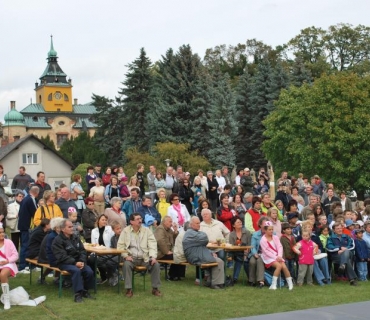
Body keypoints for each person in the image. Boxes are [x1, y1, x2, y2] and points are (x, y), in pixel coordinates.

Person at [117, 213, 162, 298]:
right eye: (137, 219)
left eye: (140, 218)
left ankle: (155, 289)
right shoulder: (125, 231)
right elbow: (120, 246)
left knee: (156, 264)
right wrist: (126, 256)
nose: (140, 220)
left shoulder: (147, 230)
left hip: (144, 258)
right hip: (131, 258)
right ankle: (129, 289)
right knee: (126, 265)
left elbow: (152, 244)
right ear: (131, 222)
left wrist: (153, 257)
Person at [52, 219, 95, 302]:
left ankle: (84, 290)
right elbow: (62, 256)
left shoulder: (75, 237)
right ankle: (78, 295)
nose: (72, 228)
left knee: (89, 271)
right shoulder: (57, 240)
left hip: (78, 261)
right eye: (69, 227)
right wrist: (75, 263)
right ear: (63, 229)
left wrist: (82, 261)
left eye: (72, 226)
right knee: (76, 271)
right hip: (64, 263)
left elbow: (83, 250)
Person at [183, 216, 225, 289]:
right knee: (219, 261)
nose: (199, 225)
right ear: (191, 224)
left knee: (217, 260)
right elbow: (205, 239)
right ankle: (216, 283)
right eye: (197, 223)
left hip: (199, 255)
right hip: (195, 257)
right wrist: (204, 235)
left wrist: (211, 253)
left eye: (199, 223)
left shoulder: (195, 232)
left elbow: (202, 246)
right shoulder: (190, 233)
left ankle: (210, 281)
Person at [259, 221, 294, 290]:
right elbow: (266, 252)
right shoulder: (263, 240)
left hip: (277, 256)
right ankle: (273, 284)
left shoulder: (275, 237)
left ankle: (290, 284)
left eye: (272, 229)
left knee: (284, 266)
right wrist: (276, 257)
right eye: (269, 229)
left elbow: (279, 247)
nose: (271, 231)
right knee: (279, 266)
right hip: (268, 258)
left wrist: (279, 256)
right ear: (265, 230)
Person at [155, 216, 186, 281]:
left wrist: (175, 231)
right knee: (177, 256)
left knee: (181, 255)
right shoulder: (160, 229)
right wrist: (166, 251)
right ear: (164, 222)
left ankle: (178, 275)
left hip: (168, 252)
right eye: (170, 221)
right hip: (160, 253)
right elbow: (160, 241)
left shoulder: (169, 229)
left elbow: (174, 238)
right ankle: (172, 275)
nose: (171, 223)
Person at [90, 214, 117, 286]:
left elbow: (113, 241)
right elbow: (93, 244)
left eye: (105, 220)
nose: (104, 221)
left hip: (108, 251)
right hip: (98, 251)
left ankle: (111, 274)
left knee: (104, 260)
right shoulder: (94, 231)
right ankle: (97, 278)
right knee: (91, 259)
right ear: (98, 221)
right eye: (102, 220)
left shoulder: (110, 229)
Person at [17, 186, 39, 273]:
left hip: (24, 226)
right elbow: (35, 213)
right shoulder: (30, 200)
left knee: (28, 245)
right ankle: (22, 266)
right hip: (27, 226)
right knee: (25, 245)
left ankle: (29, 265)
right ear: (36, 193)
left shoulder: (25, 199)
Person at [0, 222, 19, 310]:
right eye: (0, 232)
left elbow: (16, 255)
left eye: (3, 232)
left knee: (3, 274)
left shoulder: (9, 242)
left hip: (8, 264)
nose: (2, 234)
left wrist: (7, 261)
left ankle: (7, 300)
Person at [229, 216, 251, 283]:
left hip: (247, 252)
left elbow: (249, 245)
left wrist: (245, 254)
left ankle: (235, 278)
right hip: (236, 253)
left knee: (241, 260)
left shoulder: (247, 232)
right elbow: (231, 247)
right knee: (241, 259)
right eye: (238, 222)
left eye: (240, 222)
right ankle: (250, 279)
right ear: (233, 225)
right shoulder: (232, 234)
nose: (240, 223)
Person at [248, 216, 269, 288]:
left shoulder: (272, 233)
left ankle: (261, 281)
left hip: (266, 254)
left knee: (260, 260)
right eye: (264, 224)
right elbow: (252, 246)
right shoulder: (255, 234)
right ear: (260, 225)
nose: (266, 225)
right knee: (252, 261)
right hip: (256, 252)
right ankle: (251, 280)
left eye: (267, 224)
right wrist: (255, 253)